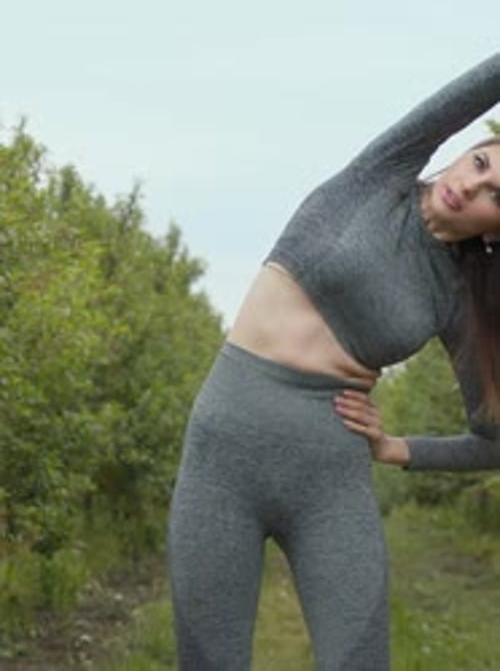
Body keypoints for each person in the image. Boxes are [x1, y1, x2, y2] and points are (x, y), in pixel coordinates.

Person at [168, 53, 500, 671]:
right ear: (461, 153)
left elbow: (495, 438)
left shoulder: (461, 301)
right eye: (480, 163)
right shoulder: (381, 175)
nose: (475, 185)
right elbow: (474, 91)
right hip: (222, 459)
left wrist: (399, 448)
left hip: (330, 480)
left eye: (496, 197)